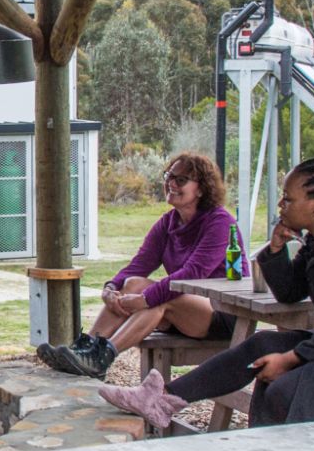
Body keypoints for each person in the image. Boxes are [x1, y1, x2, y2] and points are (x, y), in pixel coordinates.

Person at [101, 157, 314, 431]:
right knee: (262, 345)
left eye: (288, 199)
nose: (281, 205)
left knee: (286, 386)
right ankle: (161, 400)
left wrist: (291, 359)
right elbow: (291, 292)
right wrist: (276, 250)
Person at [41, 152, 236, 380]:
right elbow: (139, 265)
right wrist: (111, 288)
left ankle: (102, 358)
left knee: (157, 299)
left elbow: (193, 273)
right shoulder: (168, 222)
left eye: (181, 180)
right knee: (134, 283)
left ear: (201, 189)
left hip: (223, 313)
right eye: (169, 176)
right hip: (184, 311)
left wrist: (145, 298)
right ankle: (86, 347)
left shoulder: (219, 222)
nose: (171, 183)